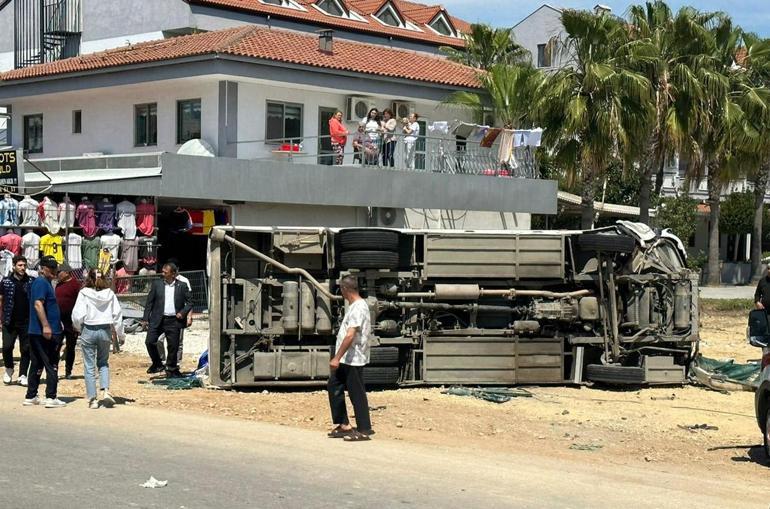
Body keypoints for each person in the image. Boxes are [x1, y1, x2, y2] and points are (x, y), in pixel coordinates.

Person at [327, 275, 373, 442]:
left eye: (341, 289)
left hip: (353, 358)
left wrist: (336, 357)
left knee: (356, 393)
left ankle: (363, 429)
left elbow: (350, 335)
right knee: (334, 386)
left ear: (345, 289)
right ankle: (344, 424)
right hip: (347, 357)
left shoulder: (358, 307)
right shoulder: (354, 306)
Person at [72, 270, 124, 409]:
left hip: (89, 329)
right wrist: (121, 334)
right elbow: (117, 315)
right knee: (103, 362)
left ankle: (93, 399)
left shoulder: (84, 293)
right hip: (105, 330)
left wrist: (78, 327)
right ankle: (106, 390)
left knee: (89, 365)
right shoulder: (110, 294)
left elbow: (78, 314)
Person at [23, 256, 66, 408]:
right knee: (51, 363)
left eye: (55, 267)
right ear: (43, 268)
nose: (54, 270)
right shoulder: (41, 283)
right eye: (51, 267)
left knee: (36, 363)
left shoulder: (44, 283)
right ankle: (51, 396)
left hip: (38, 330)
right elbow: (38, 305)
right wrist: (47, 326)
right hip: (46, 332)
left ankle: (31, 395)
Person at [142, 262, 192, 378]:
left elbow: (190, 302)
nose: (163, 274)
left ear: (173, 274)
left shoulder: (182, 285)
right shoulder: (157, 284)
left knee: (173, 346)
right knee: (150, 341)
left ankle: (171, 368)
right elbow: (149, 302)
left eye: (166, 272)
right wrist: (145, 318)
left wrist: (183, 313)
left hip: (174, 320)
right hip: (158, 318)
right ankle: (157, 363)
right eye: (163, 271)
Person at [1, 255, 34, 386]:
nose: (22, 268)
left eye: (24, 265)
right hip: (9, 320)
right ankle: (9, 368)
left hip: (26, 321)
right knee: (7, 347)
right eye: (20, 265)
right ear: (14, 266)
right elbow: (1, 299)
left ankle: (23, 374)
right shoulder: (6, 281)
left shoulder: (31, 281)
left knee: (26, 349)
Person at [55, 263, 80, 379]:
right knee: (56, 345)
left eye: (59, 272)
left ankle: (68, 371)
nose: (57, 274)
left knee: (70, 347)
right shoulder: (58, 285)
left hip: (71, 322)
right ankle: (54, 368)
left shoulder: (75, 285)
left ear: (66, 272)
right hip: (59, 321)